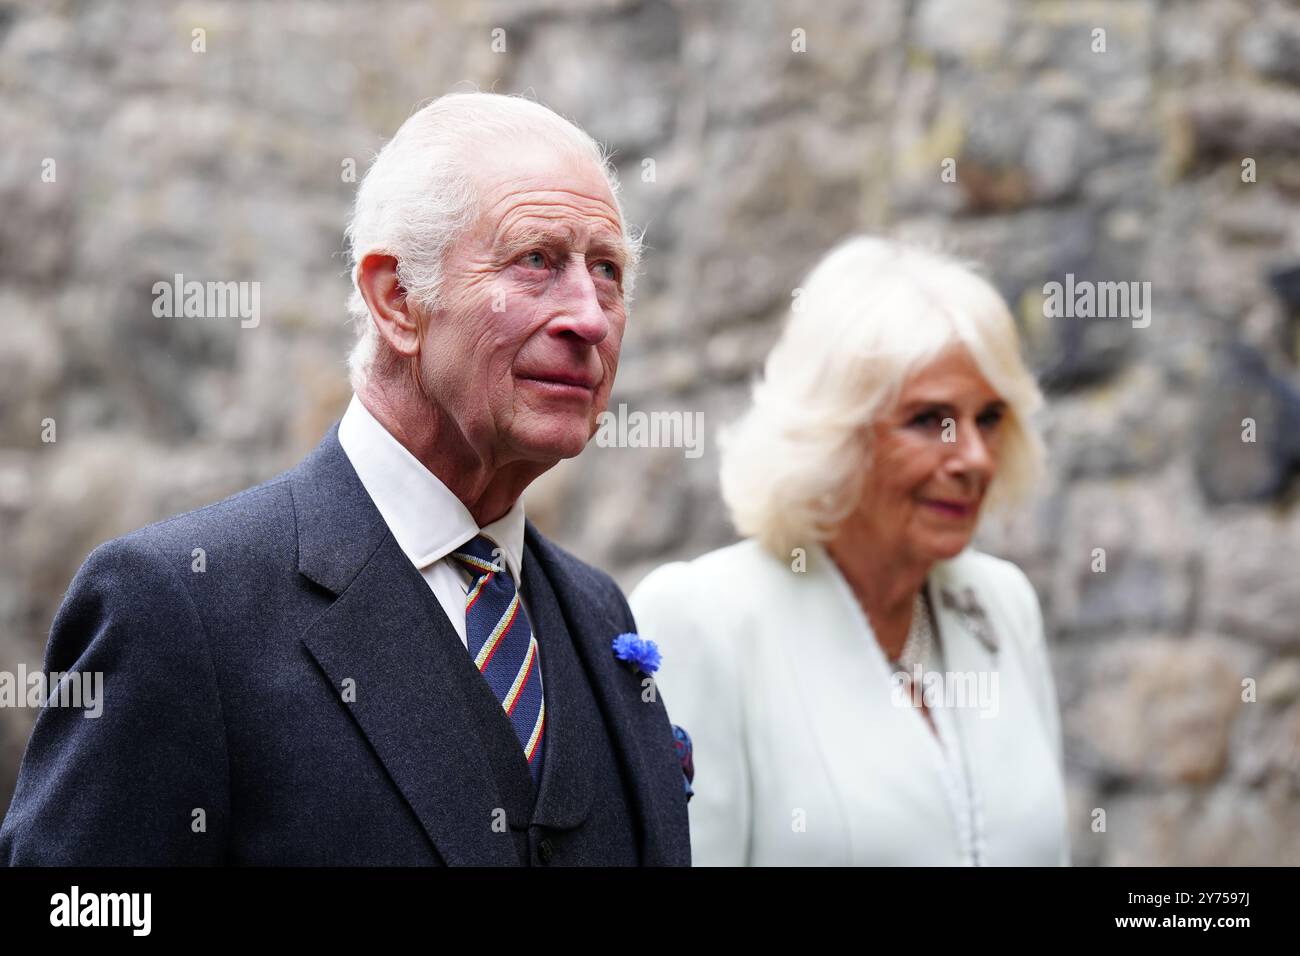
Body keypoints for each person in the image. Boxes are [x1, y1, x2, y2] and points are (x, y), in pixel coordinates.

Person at [0, 92, 690, 866]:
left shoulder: (600, 618)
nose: (589, 317)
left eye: (607, 271)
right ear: (397, 300)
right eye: (537, 260)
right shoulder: (179, 606)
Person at [629, 236, 1069, 866]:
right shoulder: (705, 617)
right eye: (931, 420)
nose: (973, 457)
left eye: (990, 418)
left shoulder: (1001, 603)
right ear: (833, 436)